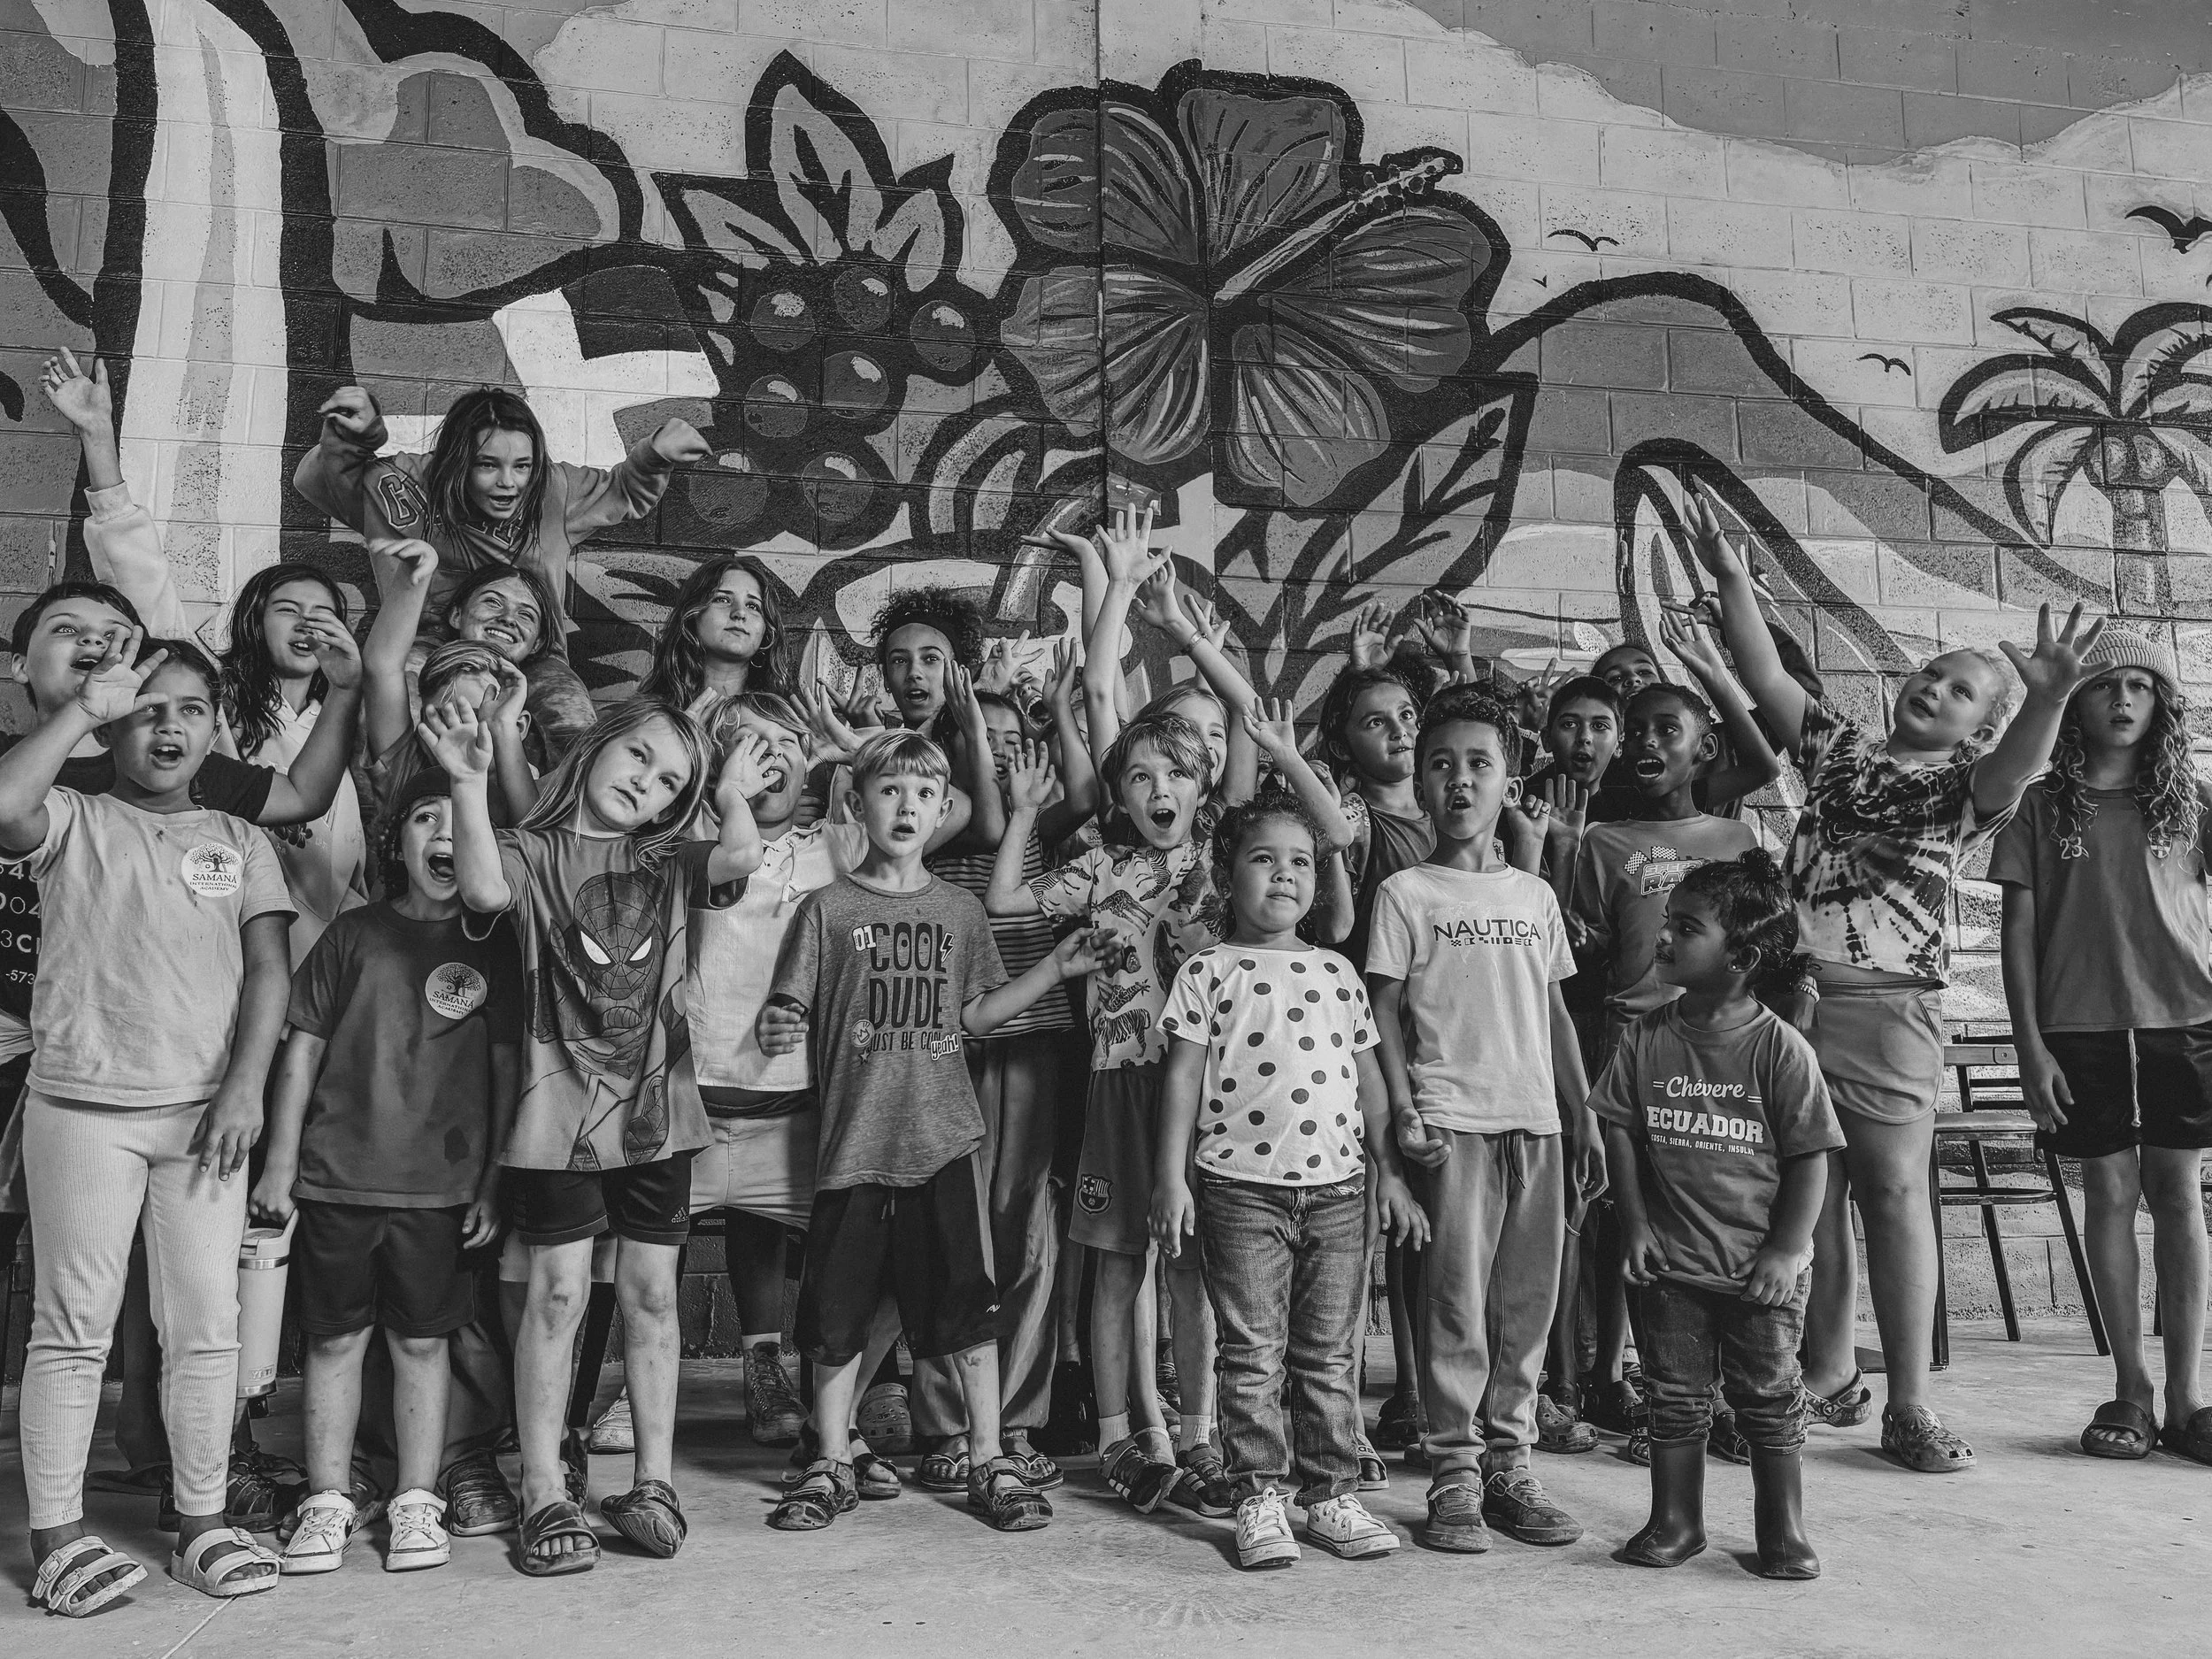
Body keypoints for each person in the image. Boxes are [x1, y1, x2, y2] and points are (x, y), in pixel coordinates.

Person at [1686, 483, 2104, 1474]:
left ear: (1975, 727)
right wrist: (1735, 579)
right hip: (1787, 1003)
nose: (1934, 689)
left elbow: (2016, 766)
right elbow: (1761, 671)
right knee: (1803, 1193)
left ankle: (1908, 1401)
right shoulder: (1836, 751)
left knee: (1890, 1192)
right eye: (1928, 673)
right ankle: (1820, 1375)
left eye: (1961, 690)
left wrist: (2043, 698)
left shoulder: (1966, 790)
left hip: (1886, 1009)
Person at [428, 695, 764, 1574]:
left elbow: (741, 853)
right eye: (640, 760)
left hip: (659, 1116)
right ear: (599, 747)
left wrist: (726, 790)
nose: (646, 786)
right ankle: (544, 1486)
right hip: (558, 1115)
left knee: (653, 1298)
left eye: (667, 783)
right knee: (558, 1296)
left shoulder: (666, 855)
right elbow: (480, 887)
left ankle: (652, 1480)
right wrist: (467, 784)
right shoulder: (534, 851)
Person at [756, 728, 1110, 1533]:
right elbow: (791, 1004)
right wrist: (780, 1020)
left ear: (943, 807)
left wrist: (1054, 970)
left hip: (945, 1142)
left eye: (927, 794)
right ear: (857, 801)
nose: (908, 806)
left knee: (967, 1314)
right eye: (890, 790)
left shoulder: (958, 910)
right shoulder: (827, 908)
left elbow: (978, 1015)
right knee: (838, 1320)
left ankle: (990, 1456)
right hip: (854, 1149)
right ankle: (830, 1459)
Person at [5, 632, 293, 1614]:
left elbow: (268, 973)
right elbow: (4, 807)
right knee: (73, 1327)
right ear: (116, 723)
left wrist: (245, 1086)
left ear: (215, 729)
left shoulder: (240, 840)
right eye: (147, 707)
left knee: (206, 1327)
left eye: (190, 710)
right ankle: (57, 1533)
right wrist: (85, 704)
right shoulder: (73, 818)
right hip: (84, 1108)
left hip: (204, 1119)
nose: (167, 724)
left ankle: (204, 1522)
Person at [248, 772, 523, 1574]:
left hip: (439, 1193)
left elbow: (507, 1070)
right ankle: (329, 1500)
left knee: (421, 1345)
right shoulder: (352, 933)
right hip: (336, 1183)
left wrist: (493, 1181)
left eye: (456, 818)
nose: (440, 833)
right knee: (333, 1343)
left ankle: (415, 1500)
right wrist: (280, 1162)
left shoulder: (495, 945)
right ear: (394, 841)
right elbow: (300, 1052)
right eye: (422, 818)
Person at [1150, 798, 1429, 1568]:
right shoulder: (1208, 972)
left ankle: (1330, 1492)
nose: (1284, 873)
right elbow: (1179, 1082)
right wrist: (1170, 1179)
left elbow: (1371, 1082)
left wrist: (1391, 1177)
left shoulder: (1338, 973)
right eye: (1264, 858)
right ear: (1224, 872)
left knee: (1329, 1353)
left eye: (1300, 861)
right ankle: (1259, 1494)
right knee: (1250, 1352)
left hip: (1338, 1192)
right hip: (1239, 1189)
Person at [1367, 685, 1606, 1553]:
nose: (1459, 782)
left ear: (1510, 781)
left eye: (1478, 765)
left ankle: (1511, 1461)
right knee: (1455, 1307)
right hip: (1451, 1123)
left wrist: (1580, 1118)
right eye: (1441, 766)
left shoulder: (1533, 898)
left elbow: (1553, 1016)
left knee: (1525, 1306)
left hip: (1534, 1124)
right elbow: (1382, 1012)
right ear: (1421, 786)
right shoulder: (1404, 893)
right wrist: (1399, 1110)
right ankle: (1453, 1472)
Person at [988, 707, 1229, 1516]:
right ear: (1120, 797)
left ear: (1204, 787)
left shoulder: (1222, 867)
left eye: (1178, 774)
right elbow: (1005, 898)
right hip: (1121, 1083)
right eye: (1140, 777)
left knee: (1195, 1270)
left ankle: (1199, 1434)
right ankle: (1126, 1435)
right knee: (1120, 1264)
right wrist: (1024, 812)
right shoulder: (1100, 870)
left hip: (1205, 1090)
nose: (1161, 789)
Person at [1989, 626, 2212, 1464]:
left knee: (2180, 1197)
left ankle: (2191, 1397)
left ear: (2162, 704)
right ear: (2074, 702)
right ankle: (2133, 1387)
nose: (2122, 699)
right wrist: (2028, 1046)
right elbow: (2019, 935)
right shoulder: (2041, 806)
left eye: (2140, 686)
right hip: (2078, 1029)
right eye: (2102, 685)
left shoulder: (2190, 799)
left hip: (2183, 1019)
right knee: (2110, 1196)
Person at [1595, 852, 1841, 1579]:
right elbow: (1620, 1129)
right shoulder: (1645, 1036)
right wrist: (1634, 1223)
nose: (1664, 938)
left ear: (1742, 955)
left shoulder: (1779, 1048)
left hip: (1756, 1273)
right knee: (1672, 1398)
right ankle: (1676, 1521)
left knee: (1766, 1397)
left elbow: (1810, 1156)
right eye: (1668, 923)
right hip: (1667, 1263)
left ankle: (1783, 1529)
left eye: (1686, 928)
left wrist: (1787, 1249)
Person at [294, 384, 710, 758]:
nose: (508, 483)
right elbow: (318, 482)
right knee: (389, 718)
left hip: (533, 656)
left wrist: (655, 455)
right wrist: (354, 436)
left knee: (573, 727)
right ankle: (400, 825)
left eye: (522, 466)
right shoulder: (405, 486)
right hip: (424, 646)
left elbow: (622, 489)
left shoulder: (552, 492)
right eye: (487, 465)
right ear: (456, 461)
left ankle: (555, 835)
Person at [1562, 681, 1758, 1454]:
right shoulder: (1602, 840)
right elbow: (1584, 958)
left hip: (1717, 1050)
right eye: (1634, 730)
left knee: (1707, 1205)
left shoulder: (1738, 841)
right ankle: (1621, 1376)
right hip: (1628, 1040)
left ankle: (1712, 1392)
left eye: (1665, 730)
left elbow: (1762, 952)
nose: (1645, 742)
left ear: (1702, 747)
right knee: (1622, 1209)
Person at [1314, 661, 1432, 1466]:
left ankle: (1428, 1390)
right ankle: (1362, 1403)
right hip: (1366, 1031)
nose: (1399, 730)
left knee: (1433, 1220)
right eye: (1375, 720)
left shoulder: (1454, 818)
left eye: (1407, 714)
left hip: (1448, 1033)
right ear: (1344, 745)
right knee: (1373, 1216)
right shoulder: (1353, 819)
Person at [638, 555, 793, 709]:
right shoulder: (648, 717)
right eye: (723, 600)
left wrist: (815, 733)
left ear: (767, 629)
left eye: (753, 606)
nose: (740, 613)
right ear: (692, 614)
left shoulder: (784, 722)